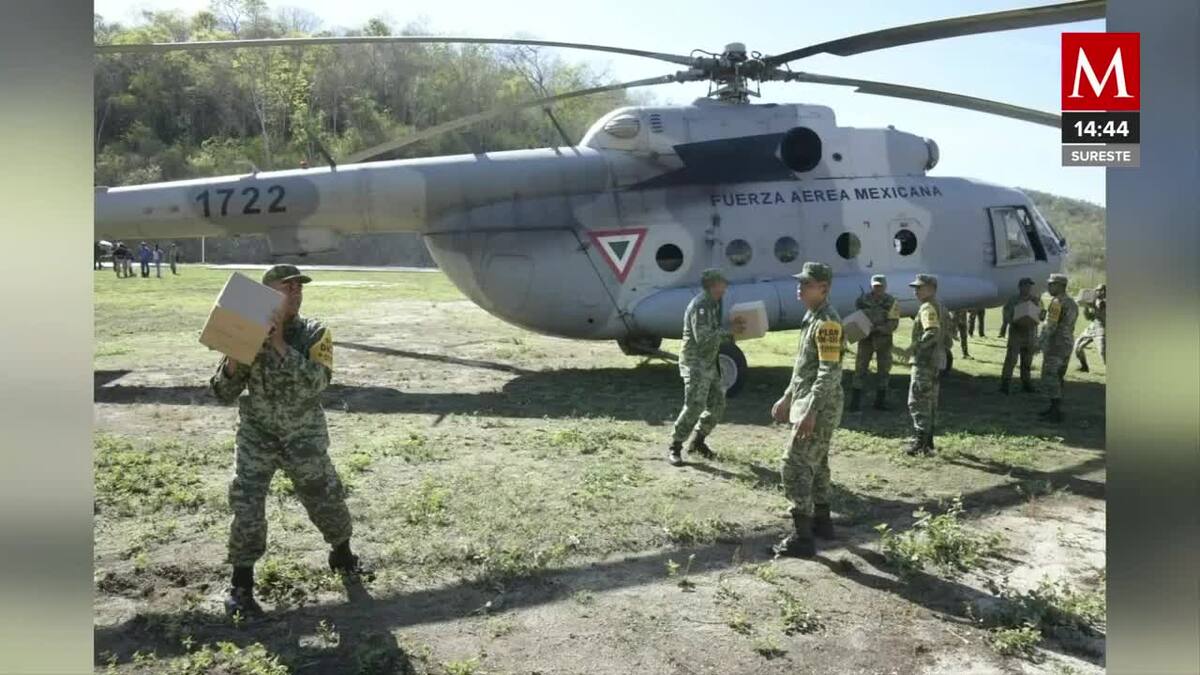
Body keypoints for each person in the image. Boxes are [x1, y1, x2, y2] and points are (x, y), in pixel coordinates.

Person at [211, 264, 367, 618]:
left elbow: (317, 384)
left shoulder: (315, 333)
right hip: (257, 436)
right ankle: (241, 583)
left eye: (299, 287)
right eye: (287, 287)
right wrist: (237, 356)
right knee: (246, 504)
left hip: (303, 434)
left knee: (326, 498)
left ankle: (342, 555)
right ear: (264, 294)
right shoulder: (246, 329)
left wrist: (278, 342)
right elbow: (222, 392)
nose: (295, 292)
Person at [770, 262, 844, 558]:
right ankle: (822, 523)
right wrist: (788, 397)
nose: (799, 288)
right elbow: (804, 368)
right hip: (809, 402)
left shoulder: (827, 323)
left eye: (806, 284)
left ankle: (802, 538)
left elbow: (829, 372)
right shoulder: (812, 317)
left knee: (793, 465)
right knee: (818, 464)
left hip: (819, 407)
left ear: (823, 288)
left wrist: (810, 411)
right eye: (799, 282)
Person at [668, 268, 741, 466]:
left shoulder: (714, 303)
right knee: (695, 405)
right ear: (712, 285)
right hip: (696, 363)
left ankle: (698, 442)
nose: (725, 287)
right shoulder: (701, 305)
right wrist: (729, 333)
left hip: (709, 362)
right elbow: (703, 339)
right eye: (722, 283)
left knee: (718, 403)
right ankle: (675, 446)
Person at [905, 274, 950, 456]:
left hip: (925, 361)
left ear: (931, 288)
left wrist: (915, 348)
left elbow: (932, 331)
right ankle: (928, 441)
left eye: (920, 287)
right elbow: (947, 334)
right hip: (937, 360)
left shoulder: (927, 307)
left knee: (917, 401)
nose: (916, 291)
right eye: (915, 288)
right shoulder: (941, 307)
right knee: (930, 401)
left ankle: (920, 443)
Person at [850, 274, 899, 412]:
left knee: (884, 370)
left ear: (885, 286)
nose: (878, 288)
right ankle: (855, 402)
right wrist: (863, 330)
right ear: (871, 286)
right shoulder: (862, 300)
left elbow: (894, 322)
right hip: (865, 340)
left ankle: (880, 402)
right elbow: (857, 318)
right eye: (875, 286)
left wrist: (878, 329)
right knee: (860, 369)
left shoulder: (891, 302)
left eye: (880, 286)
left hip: (883, 340)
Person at [1037, 273, 1079, 423]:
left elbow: (1050, 326)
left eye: (1052, 284)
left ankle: (1055, 411)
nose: (1049, 286)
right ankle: (1055, 408)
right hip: (1067, 343)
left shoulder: (1057, 302)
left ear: (1061, 286)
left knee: (1050, 377)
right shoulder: (1072, 303)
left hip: (1056, 344)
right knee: (1059, 376)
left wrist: (1039, 343)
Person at [999, 278, 1044, 394]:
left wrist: (1041, 314)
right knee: (1011, 360)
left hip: (1030, 334)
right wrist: (1013, 320)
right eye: (1026, 286)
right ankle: (1005, 384)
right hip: (1016, 333)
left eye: (1030, 286)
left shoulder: (1035, 300)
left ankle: (1026, 384)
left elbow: (1041, 315)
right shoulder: (1013, 300)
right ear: (1020, 287)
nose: (1028, 288)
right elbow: (1006, 313)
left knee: (1027, 361)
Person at [1073, 283, 1106, 371]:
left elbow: (1101, 305)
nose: (1098, 292)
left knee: (1103, 353)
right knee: (1077, 346)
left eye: (1100, 290)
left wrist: (1092, 303)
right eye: (1097, 290)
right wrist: (1086, 308)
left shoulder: (1104, 302)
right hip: (1093, 327)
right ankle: (1084, 366)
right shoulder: (1094, 301)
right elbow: (1089, 317)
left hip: (1103, 329)